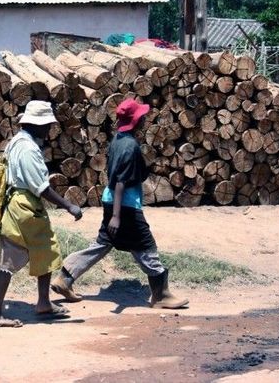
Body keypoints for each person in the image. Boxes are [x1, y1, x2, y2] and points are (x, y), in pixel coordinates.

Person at [50, 98, 189, 309]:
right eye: (142, 117)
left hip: (111, 200)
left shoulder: (119, 139)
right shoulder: (130, 146)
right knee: (145, 245)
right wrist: (116, 216)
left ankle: (65, 277)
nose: (144, 120)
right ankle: (161, 295)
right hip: (124, 206)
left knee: (103, 244)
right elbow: (121, 182)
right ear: (136, 120)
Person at [0, 100, 83, 327]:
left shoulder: (17, 142)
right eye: (47, 125)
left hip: (22, 205)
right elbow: (41, 187)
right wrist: (68, 205)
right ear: (38, 125)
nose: (49, 130)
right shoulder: (28, 149)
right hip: (24, 207)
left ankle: (43, 303)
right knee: (8, 260)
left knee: (46, 249)